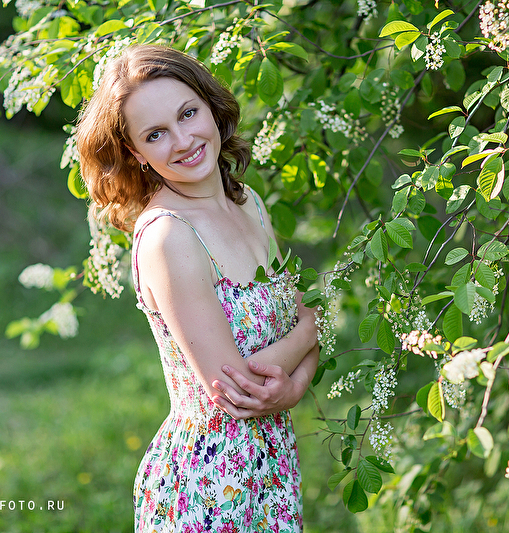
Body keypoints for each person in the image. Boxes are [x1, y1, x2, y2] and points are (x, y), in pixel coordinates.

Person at [75, 44, 319, 533]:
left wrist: (294, 388)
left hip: (270, 470)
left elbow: (300, 323)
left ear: (210, 106)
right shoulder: (169, 236)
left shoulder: (249, 203)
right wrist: (313, 330)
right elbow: (236, 384)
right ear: (136, 153)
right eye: (155, 134)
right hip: (208, 483)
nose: (183, 140)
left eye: (188, 113)